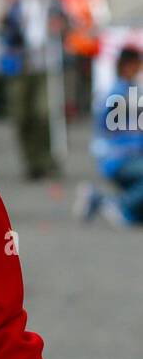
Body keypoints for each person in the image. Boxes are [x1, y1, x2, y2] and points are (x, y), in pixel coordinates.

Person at [2, 0, 68, 179]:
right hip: (21, 66)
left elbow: (67, 23)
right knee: (22, 115)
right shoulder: (15, 2)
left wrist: (60, 25)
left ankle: (46, 159)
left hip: (44, 65)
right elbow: (5, 27)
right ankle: (31, 161)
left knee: (43, 113)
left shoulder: (51, 0)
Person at [76, 45, 143, 226]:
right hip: (120, 157)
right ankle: (116, 204)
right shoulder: (120, 94)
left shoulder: (129, 90)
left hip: (125, 156)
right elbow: (117, 133)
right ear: (128, 65)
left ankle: (97, 199)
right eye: (138, 64)